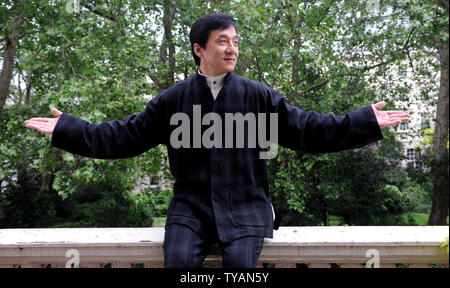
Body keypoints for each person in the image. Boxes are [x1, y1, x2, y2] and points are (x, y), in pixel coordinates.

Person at [25, 13, 410, 268]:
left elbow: (310, 129)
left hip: (246, 206)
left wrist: (363, 121)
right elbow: (124, 137)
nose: (232, 49)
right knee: (178, 264)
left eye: (236, 42)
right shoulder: (172, 100)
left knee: (242, 271)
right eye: (223, 41)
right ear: (199, 48)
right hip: (189, 209)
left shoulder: (259, 97)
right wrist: (67, 129)